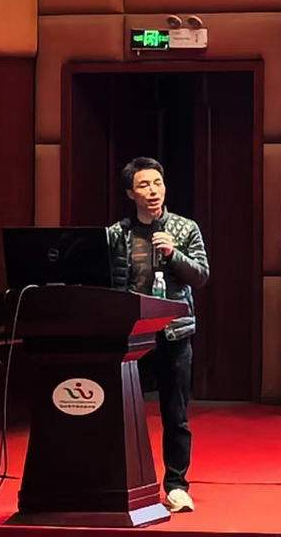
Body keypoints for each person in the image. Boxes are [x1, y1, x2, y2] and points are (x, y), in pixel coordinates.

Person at [106, 157, 209, 514]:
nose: (152, 191)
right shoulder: (116, 234)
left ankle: (176, 485)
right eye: (144, 186)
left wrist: (172, 253)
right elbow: (105, 279)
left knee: (175, 414)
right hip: (130, 334)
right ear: (130, 194)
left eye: (157, 183)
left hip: (173, 333)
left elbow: (201, 275)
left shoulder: (184, 228)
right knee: (119, 411)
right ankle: (121, 482)